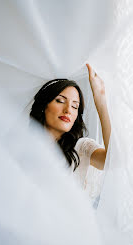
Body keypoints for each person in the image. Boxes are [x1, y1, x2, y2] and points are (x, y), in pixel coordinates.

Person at [30, 64, 111, 193]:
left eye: (75, 106)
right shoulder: (21, 146)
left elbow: (114, 161)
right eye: (60, 101)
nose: (68, 110)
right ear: (43, 105)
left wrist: (100, 102)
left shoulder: (82, 148)